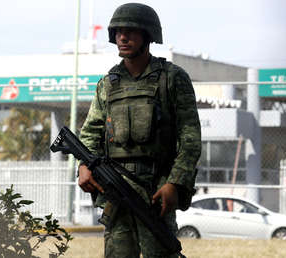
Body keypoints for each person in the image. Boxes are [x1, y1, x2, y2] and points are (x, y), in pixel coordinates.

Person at [77, 3, 201, 257]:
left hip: (156, 191)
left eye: (131, 31)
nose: (123, 37)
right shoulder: (107, 84)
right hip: (115, 190)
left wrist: (175, 184)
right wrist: (83, 165)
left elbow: (190, 138)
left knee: (162, 250)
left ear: (148, 35)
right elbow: (90, 133)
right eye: (119, 31)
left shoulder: (173, 78)